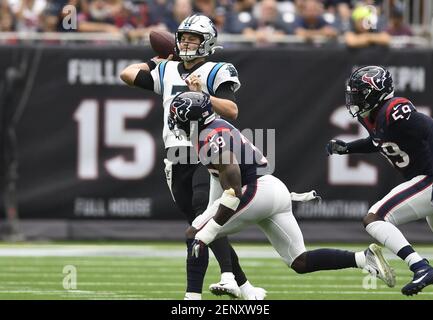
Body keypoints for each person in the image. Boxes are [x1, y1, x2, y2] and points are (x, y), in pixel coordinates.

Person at [168, 91, 396, 296]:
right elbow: (220, 179)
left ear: (193, 119)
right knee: (300, 261)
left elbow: (233, 189)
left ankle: (192, 300)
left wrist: (207, 231)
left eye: (178, 117)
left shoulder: (209, 137)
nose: (175, 122)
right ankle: (362, 258)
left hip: (256, 190)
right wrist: (209, 217)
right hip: (273, 189)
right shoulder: (216, 126)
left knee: (195, 233)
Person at [120, 14, 265, 300]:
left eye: (192, 39)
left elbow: (233, 111)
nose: (186, 43)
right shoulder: (169, 69)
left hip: (207, 148)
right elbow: (127, 74)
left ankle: (211, 286)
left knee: (202, 213)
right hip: (175, 155)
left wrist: (203, 95)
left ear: (207, 42)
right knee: (197, 226)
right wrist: (156, 61)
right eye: (183, 38)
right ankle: (245, 288)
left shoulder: (216, 69)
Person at [326, 65, 433, 296]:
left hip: (429, 178)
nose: (354, 99)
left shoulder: (394, 108)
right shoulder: (372, 116)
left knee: (375, 217)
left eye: (359, 93)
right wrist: (348, 148)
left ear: (375, 92)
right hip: (426, 178)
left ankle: (419, 266)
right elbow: (380, 142)